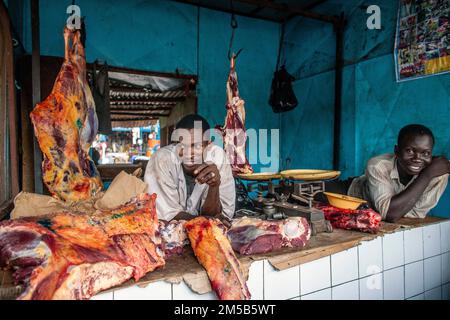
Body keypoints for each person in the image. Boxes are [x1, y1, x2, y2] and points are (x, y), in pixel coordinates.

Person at [347, 124, 449, 222]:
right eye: (409, 151)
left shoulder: (438, 174)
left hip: (368, 214)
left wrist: (395, 211)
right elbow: (390, 214)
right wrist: (426, 175)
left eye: (425, 153)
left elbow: (416, 213)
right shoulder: (378, 165)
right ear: (397, 150)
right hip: (348, 195)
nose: (417, 159)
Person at [144, 114, 235, 223]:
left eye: (196, 146)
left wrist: (214, 186)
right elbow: (165, 215)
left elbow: (222, 216)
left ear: (208, 145)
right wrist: (209, 221)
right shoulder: (162, 159)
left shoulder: (218, 158)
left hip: (205, 235)